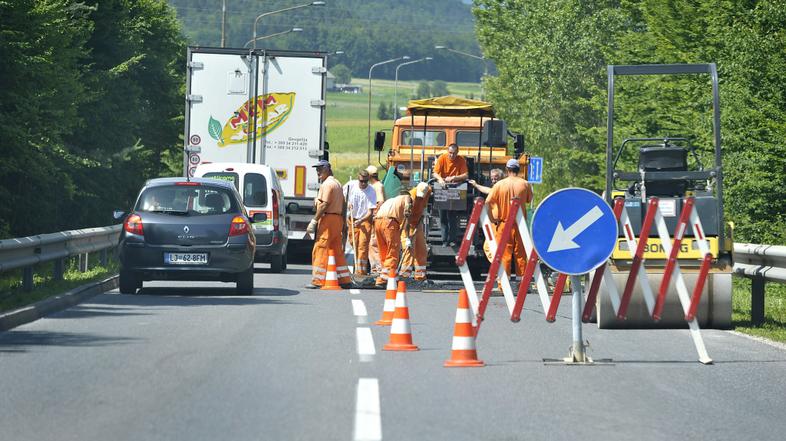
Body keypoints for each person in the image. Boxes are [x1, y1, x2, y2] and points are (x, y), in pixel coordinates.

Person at [305, 160, 352, 289]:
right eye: (317, 169)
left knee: (321, 248)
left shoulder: (327, 185)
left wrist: (314, 220)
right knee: (336, 249)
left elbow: (324, 204)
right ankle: (344, 279)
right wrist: (343, 222)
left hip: (328, 219)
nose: (318, 172)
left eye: (320, 169)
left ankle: (317, 280)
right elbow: (343, 205)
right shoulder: (337, 183)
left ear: (327, 169)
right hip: (337, 220)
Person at [486, 159, 534, 279]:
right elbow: (529, 199)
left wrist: (492, 218)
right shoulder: (525, 184)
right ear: (518, 170)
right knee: (521, 254)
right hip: (520, 224)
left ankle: (503, 284)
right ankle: (522, 283)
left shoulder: (499, 185)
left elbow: (488, 202)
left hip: (503, 224)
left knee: (503, 254)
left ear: (507, 170)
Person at [373, 190, 413, 287]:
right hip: (390, 223)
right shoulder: (406, 198)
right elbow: (407, 216)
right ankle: (383, 279)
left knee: (384, 251)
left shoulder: (391, 200)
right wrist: (407, 237)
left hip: (378, 222)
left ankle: (388, 275)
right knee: (392, 251)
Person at [432, 143, 468, 246]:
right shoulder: (442, 158)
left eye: (454, 153)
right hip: (442, 188)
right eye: (450, 153)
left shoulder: (461, 160)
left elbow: (465, 175)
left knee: (452, 216)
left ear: (457, 152)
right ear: (448, 151)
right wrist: (440, 179)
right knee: (442, 216)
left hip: (455, 189)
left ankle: (452, 240)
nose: (451, 155)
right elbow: (435, 173)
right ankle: (444, 240)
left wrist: (454, 178)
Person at [344, 170, 377, 276]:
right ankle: (357, 266)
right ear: (358, 179)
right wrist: (347, 203)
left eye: (365, 181)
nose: (363, 184)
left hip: (364, 221)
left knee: (362, 246)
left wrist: (361, 220)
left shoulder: (371, 191)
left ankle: (360, 272)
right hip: (352, 219)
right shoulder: (351, 185)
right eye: (361, 181)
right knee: (354, 243)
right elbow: (342, 196)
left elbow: (370, 212)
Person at [469, 168, 505, 261]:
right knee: (488, 246)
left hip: (501, 222)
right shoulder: (489, 184)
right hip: (492, 221)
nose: (493, 180)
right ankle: (497, 267)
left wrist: (476, 185)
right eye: (492, 178)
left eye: (496, 178)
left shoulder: (503, 187)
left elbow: (490, 191)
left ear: (501, 178)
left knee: (492, 245)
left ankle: (498, 267)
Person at [399, 182, 432, 281]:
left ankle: (420, 276)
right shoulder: (411, 196)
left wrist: (422, 215)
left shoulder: (428, 190)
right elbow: (406, 218)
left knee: (422, 250)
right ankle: (404, 276)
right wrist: (408, 237)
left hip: (417, 224)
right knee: (409, 250)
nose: (421, 197)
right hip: (407, 224)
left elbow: (424, 206)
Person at [366, 165, 386, 275]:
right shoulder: (375, 185)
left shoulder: (377, 186)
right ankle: (376, 268)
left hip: (377, 219)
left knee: (373, 244)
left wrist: (374, 216)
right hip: (377, 218)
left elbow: (380, 201)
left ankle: (377, 269)